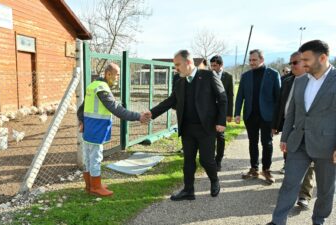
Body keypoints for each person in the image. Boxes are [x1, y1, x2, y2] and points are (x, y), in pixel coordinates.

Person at [267, 40, 336, 225]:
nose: (302, 63)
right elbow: (292, 113)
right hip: (298, 143)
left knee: (325, 190)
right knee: (289, 184)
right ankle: (278, 221)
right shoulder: (300, 81)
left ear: (322, 58)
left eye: (306, 59)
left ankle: (319, 220)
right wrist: (286, 136)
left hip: (328, 147)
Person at [148, 50, 227, 201]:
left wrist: (221, 122)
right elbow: (170, 101)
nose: (175, 68)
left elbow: (222, 98)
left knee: (206, 160)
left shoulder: (209, 76)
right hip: (187, 128)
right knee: (188, 161)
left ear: (188, 62)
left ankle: (214, 180)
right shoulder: (179, 81)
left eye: (177, 65)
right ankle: (188, 191)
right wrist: (151, 113)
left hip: (206, 128)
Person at [77, 63, 150, 197]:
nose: (117, 78)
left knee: (88, 158)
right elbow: (116, 109)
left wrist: (81, 121)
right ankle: (96, 187)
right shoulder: (102, 88)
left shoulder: (93, 85)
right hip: (96, 129)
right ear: (108, 74)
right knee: (96, 158)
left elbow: (81, 108)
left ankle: (89, 185)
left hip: (89, 128)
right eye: (117, 75)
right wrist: (138, 116)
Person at [271, 51, 315, 209]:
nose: (292, 66)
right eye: (290, 63)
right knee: (289, 159)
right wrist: (276, 125)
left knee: (308, 165)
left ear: (305, 63)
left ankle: (304, 195)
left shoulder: (314, 83)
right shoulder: (288, 81)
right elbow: (281, 104)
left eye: (295, 63)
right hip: (290, 128)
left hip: (308, 131)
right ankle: (291, 188)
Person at [234, 49, 281, 184]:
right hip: (250, 115)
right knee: (252, 142)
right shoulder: (246, 76)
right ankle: (254, 168)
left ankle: (266, 169)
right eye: (250, 60)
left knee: (267, 143)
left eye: (254, 60)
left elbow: (278, 99)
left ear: (262, 60)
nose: (251, 62)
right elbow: (240, 96)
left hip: (267, 116)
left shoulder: (273, 74)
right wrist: (237, 113)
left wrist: (278, 120)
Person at [210, 55, 234, 171]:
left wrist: (229, 114)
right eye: (211, 65)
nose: (212, 67)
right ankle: (210, 159)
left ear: (220, 65)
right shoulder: (208, 75)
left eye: (215, 65)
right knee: (209, 135)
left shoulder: (228, 77)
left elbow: (230, 95)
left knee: (220, 136)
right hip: (209, 111)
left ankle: (218, 160)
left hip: (222, 111)